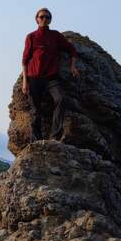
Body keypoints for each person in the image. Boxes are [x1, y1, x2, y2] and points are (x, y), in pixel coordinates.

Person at [22, 8, 79, 141]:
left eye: (47, 17)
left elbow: (72, 50)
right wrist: (25, 81)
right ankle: (37, 140)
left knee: (61, 99)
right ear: (36, 19)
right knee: (36, 111)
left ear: (50, 20)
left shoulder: (55, 36)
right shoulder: (31, 37)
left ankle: (54, 136)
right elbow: (24, 60)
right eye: (42, 17)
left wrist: (73, 66)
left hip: (51, 78)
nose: (44, 19)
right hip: (34, 78)